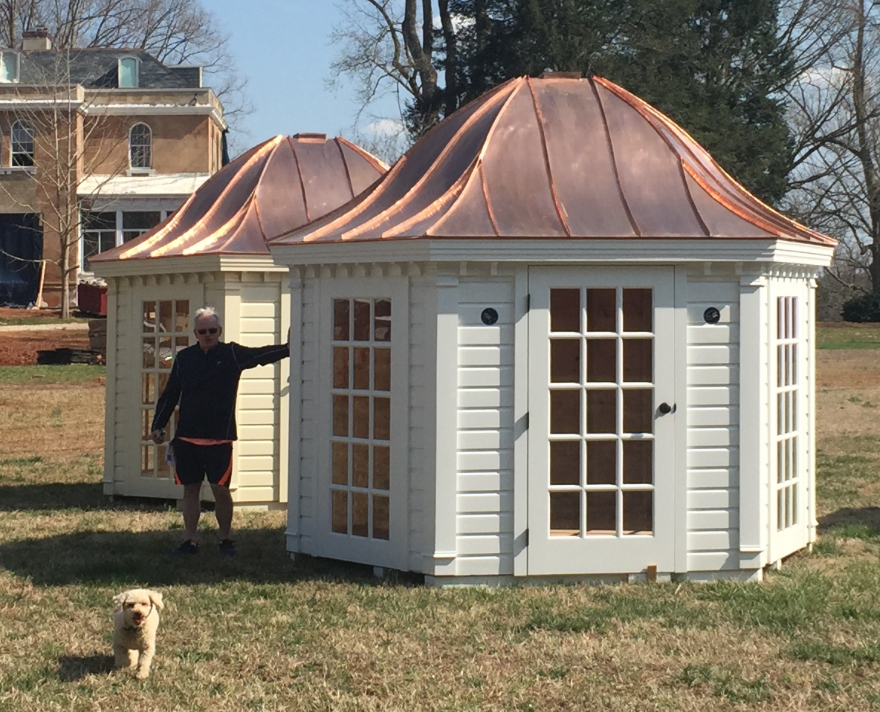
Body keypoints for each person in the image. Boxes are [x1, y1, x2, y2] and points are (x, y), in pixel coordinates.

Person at [150, 306, 289, 556]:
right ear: (195, 333)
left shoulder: (231, 354)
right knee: (190, 489)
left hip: (220, 439)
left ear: (220, 331)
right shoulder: (184, 359)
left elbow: (259, 356)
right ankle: (190, 540)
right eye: (202, 331)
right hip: (187, 438)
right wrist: (158, 425)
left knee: (220, 490)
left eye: (212, 330)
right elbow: (170, 395)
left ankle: (225, 538)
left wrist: (289, 348)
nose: (208, 335)